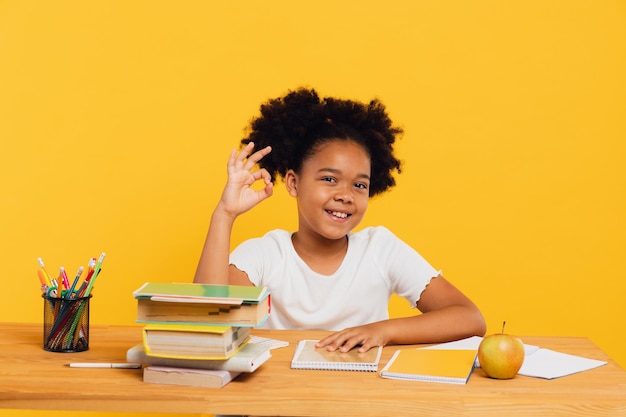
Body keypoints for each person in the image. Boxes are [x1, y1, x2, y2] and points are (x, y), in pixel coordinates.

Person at [194, 87, 486, 354]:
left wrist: (384, 330)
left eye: (359, 185)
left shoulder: (380, 249)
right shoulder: (265, 254)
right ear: (294, 183)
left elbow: (469, 318)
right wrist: (224, 215)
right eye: (330, 179)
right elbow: (207, 328)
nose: (346, 195)